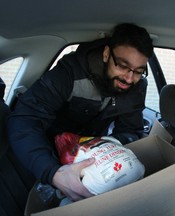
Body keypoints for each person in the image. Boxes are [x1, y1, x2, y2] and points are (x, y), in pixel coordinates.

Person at [7, 23, 153, 202]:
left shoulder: (137, 87)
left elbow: (131, 130)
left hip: (94, 158)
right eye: (122, 66)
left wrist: (108, 147)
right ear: (107, 54)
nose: (129, 78)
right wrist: (52, 172)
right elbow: (24, 121)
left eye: (138, 71)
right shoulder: (69, 73)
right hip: (47, 153)